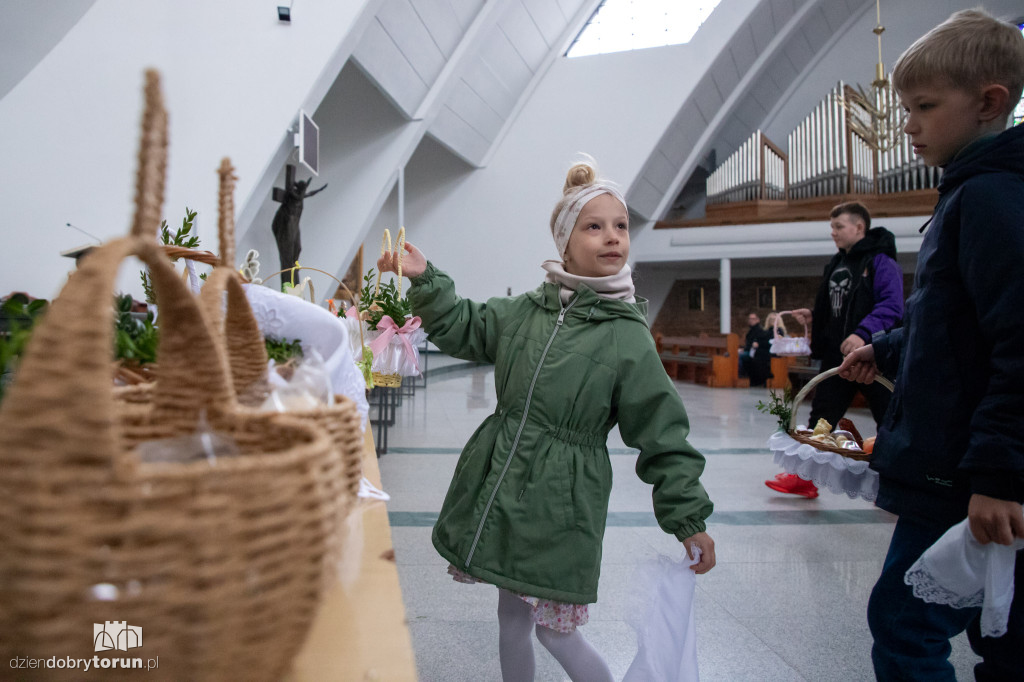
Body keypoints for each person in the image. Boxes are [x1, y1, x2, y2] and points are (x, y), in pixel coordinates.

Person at [377, 160, 716, 682]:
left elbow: (661, 433)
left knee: (556, 630)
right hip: (505, 486)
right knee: (511, 616)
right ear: (565, 241)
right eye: (594, 226)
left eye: (621, 226)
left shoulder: (626, 336)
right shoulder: (525, 313)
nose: (612, 237)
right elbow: (464, 325)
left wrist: (687, 517)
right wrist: (427, 279)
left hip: (562, 502)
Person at [837, 9, 1024, 680]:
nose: (909, 124)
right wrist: (884, 349)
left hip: (967, 472)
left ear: (989, 102)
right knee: (1002, 628)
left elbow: (1019, 340)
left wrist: (1001, 475)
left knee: (907, 623)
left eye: (924, 106)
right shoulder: (971, 195)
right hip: (969, 463)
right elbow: (953, 321)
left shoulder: (990, 200)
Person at [765, 201, 903, 499]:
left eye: (838, 226)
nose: (833, 233)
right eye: (832, 227)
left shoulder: (880, 261)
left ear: (859, 227)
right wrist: (815, 319)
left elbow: (892, 305)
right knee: (821, 417)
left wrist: (862, 334)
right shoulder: (837, 263)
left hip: (872, 357)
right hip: (838, 358)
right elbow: (838, 312)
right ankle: (805, 477)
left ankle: (901, 484)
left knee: (890, 419)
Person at [739, 311, 772, 386]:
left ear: (758, 320)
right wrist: (743, 348)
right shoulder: (751, 330)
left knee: (739, 356)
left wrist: (745, 349)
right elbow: (749, 343)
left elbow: (756, 343)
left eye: (753, 319)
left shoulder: (759, 330)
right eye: (750, 319)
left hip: (756, 353)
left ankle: (741, 376)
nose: (751, 320)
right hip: (749, 350)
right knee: (732, 354)